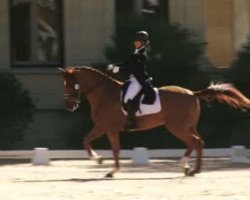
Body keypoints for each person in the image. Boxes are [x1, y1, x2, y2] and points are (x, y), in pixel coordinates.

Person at [107, 31, 155, 130]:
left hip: (139, 80)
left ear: (143, 42)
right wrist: (115, 65)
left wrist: (120, 69)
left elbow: (134, 68)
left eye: (137, 41)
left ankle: (132, 122)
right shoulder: (137, 52)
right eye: (135, 41)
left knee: (127, 98)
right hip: (133, 79)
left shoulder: (142, 54)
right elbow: (127, 62)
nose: (135, 43)